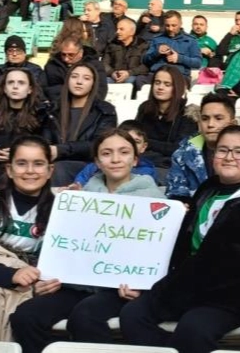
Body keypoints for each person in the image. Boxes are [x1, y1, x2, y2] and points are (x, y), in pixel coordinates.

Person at [120, 125, 240, 353]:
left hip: (230, 296)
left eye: (239, 151)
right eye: (222, 150)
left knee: (193, 330)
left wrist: (170, 288)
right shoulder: (208, 188)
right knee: (132, 315)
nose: (229, 157)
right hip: (186, 285)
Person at [11, 129, 163, 353]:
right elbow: (64, 245)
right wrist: (48, 278)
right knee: (25, 316)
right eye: (106, 153)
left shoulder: (155, 200)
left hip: (119, 289)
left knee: (85, 317)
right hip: (77, 284)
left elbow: (158, 253)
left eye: (123, 152)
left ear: (135, 159)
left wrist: (141, 285)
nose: (115, 159)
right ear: (97, 162)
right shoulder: (80, 198)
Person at [0, 135, 56, 339]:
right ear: (9, 169)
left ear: (50, 170)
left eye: (38, 164)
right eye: (22, 163)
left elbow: (63, 260)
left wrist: (44, 283)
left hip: (31, 282)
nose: (30, 170)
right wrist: (9, 275)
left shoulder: (62, 210)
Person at [50, 62, 117, 186]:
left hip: (90, 165)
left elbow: (100, 145)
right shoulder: (52, 110)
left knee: (59, 168)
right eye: (74, 76)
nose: (79, 82)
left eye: (86, 78)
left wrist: (60, 150)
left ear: (93, 84)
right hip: (54, 163)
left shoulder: (104, 111)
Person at [166, 93, 236, 202]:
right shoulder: (182, 153)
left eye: (218, 118)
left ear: (232, 124)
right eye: (205, 118)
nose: (210, 124)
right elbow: (175, 194)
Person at [135, 65, 198, 173]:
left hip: (169, 167)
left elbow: (178, 149)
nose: (160, 87)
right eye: (157, 82)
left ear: (177, 87)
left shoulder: (187, 114)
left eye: (167, 84)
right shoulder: (145, 108)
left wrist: (146, 142)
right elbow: (134, 138)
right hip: (141, 162)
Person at [71, 120, 158, 188]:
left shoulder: (147, 172)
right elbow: (79, 186)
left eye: (136, 142)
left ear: (144, 147)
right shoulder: (92, 168)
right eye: (106, 153)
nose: (115, 160)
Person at [0, 69, 56, 163]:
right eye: (10, 82)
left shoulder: (42, 115)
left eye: (21, 83)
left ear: (30, 89)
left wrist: (17, 154)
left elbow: (45, 147)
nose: (15, 86)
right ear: (5, 88)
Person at [139, 10, 201, 89]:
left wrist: (180, 58)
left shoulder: (190, 40)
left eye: (174, 25)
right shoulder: (157, 39)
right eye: (167, 25)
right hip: (157, 74)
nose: (170, 29)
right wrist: (156, 52)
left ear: (180, 24)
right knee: (140, 80)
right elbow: (145, 60)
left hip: (179, 75)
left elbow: (198, 63)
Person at [44, 38, 108, 103]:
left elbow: (100, 89)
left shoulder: (95, 66)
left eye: (71, 55)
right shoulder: (52, 65)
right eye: (63, 54)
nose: (66, 59)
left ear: (81, 53)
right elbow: (48, 89)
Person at [102, 18, 149, 85]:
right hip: (114, 76)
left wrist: (129, 73)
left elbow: (146, 66)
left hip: (133, 76)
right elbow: (105, 63)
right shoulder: (112, 44)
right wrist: (112, 73)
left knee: (132, 81)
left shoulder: (142, 45)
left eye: (121, 29)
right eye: (117, 29)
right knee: (103, 81)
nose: (117, 32)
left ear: (132, 32)